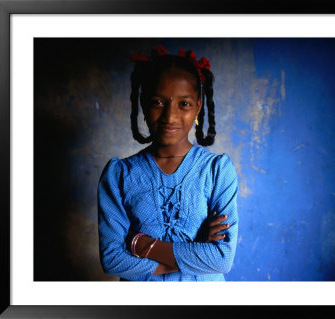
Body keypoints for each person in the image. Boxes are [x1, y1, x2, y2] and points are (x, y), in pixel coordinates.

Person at [97, 45, 238, 281]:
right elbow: (112, 260)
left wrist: (142, 244)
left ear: (198, 107)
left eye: (184, 104)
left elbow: (222, 259)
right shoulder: (119, 174)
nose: (170, 116)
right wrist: (197, 250)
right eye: (158, 102)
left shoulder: (217, 171)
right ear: (143, 104)